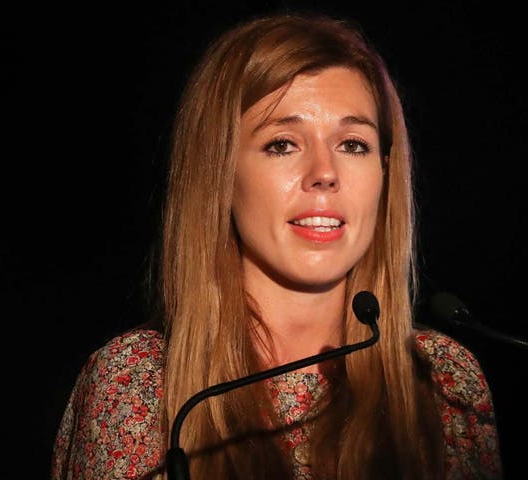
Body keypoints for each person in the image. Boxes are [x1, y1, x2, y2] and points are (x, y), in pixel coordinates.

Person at [51, 12, 502, 480]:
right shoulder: (139, 384)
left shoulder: (444, 382)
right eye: (282, 144)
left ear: (386, 175)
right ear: (220, 175)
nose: (325, 173)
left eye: (353, 144)